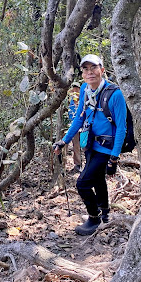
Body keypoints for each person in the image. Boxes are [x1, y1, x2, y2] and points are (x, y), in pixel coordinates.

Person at [53, 54, 127, 235]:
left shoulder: (115, 94)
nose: (89, 72)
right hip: (91, 145)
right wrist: (64, 141)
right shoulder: (85, 89)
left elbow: (121, 128)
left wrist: (114, 157)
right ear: (82, 74)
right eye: (85, 69)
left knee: (83, 183)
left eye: (93, 68)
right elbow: (79, 119)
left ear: (102, 70)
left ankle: (94, 218)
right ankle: (105, 214)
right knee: (98, 180)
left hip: (106, 148)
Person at [67, 82, 83, 173]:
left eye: (77, 88)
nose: (75, 90)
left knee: (86, 145)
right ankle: (78, 165)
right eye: (74, 88)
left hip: (84, 126)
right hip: (73, 127)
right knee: (76, 145)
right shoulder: (70, 101)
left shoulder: (83, 100)